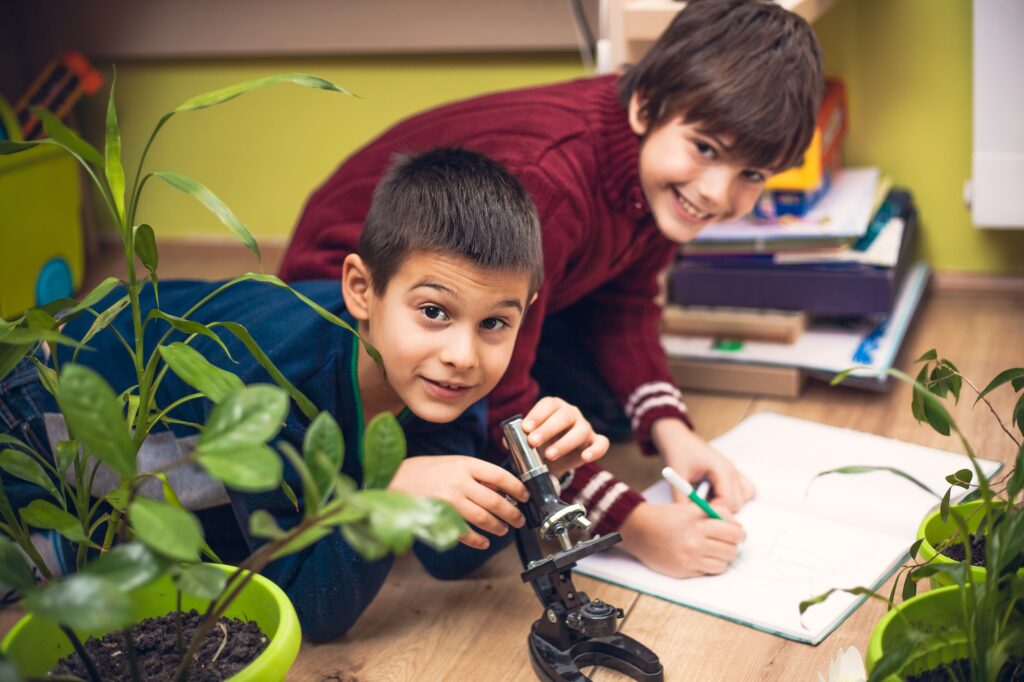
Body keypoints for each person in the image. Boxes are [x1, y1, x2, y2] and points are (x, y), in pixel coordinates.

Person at [277, 0, 823, 578]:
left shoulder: (664, 183)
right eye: (706, 149)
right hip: (344, 295)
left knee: (606, 415)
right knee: (506, 429)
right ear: (645, 107)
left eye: (752, 175)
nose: (717, 193)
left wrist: (675, 431)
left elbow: (626, 302)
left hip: (481, 294)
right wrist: (634, 526)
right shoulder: (550, 185)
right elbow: (506, 403)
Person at [0, 148, 609, 642]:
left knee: (229, 530)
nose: (464, 353)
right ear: (362, 291)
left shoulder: (444, 376)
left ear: (526, 314)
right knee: (84, 561)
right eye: (432, 311)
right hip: (37, 395)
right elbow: (304, 609)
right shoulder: (271, 378)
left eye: (495, 324)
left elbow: (445, 555)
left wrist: (530, 474)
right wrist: (379, 499)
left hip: (147, 437)